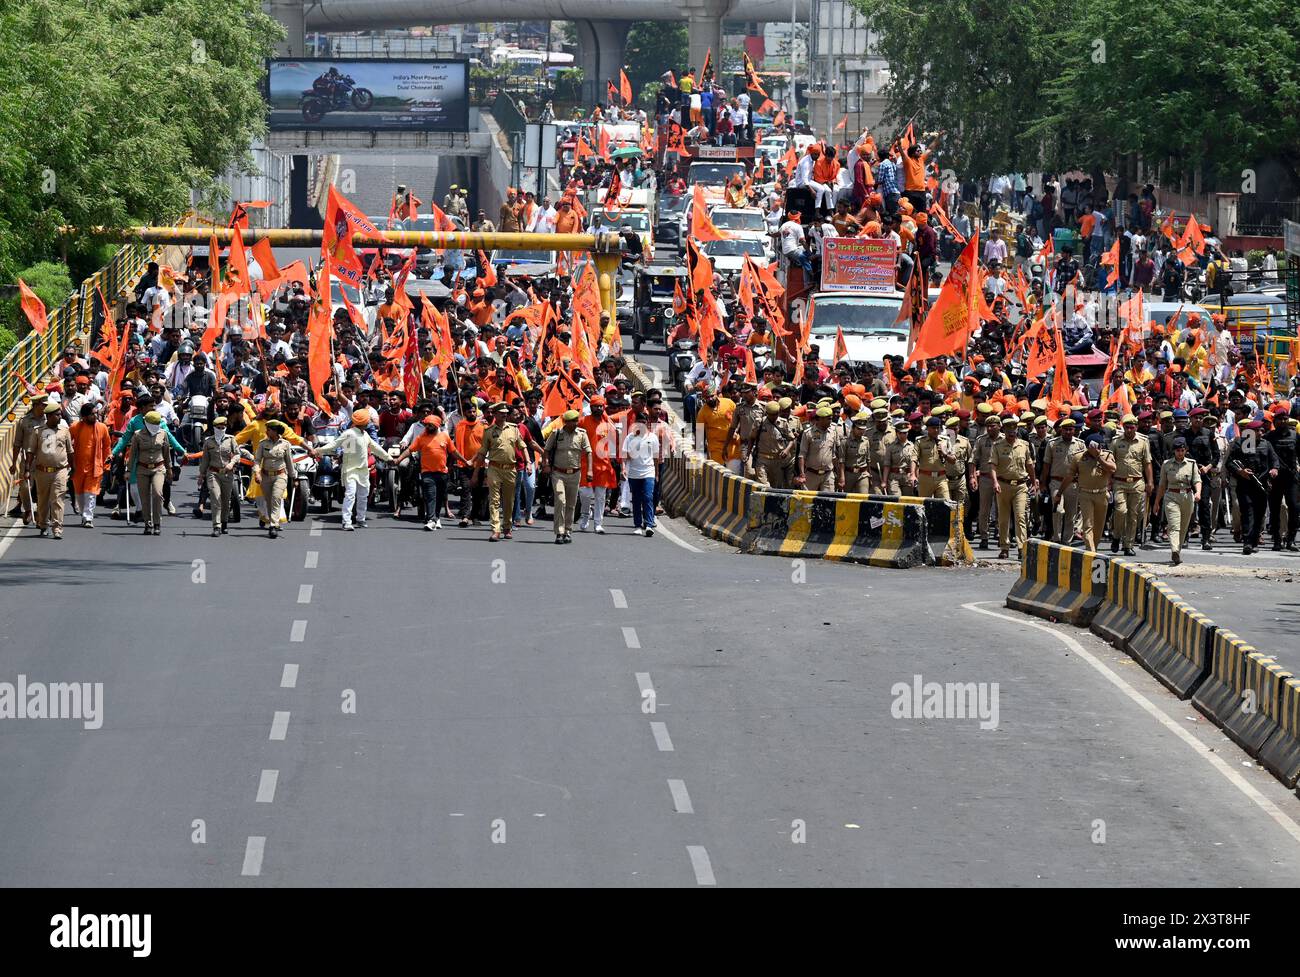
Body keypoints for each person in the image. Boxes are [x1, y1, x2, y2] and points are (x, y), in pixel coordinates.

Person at [311, 408, 394, 531]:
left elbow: (375, 448)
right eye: (368, 421)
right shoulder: (349, 433)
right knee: (350, 495)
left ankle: (360, 519)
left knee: (363, 496)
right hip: (350, 470)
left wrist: (388, 458)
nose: (369, 422)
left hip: (363, 471)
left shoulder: (365, 434)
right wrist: (317, 451)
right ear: (364, 422)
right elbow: (335, 445)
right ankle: (347, 522)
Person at [115, 410, 186, 536]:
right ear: (146, 423)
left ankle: (157, 523)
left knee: (158, 494)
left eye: (157, 423)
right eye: (153, 423)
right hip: (142, 469)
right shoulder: (137, 435)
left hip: (158, 468)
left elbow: (166, 453)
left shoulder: (163, 433)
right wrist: (129, 471)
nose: (156, 425)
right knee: (144, 498)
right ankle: (148, 523)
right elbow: (133, 454)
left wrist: (169, 469)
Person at [392, 414, 468, 532]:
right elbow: (409, 450)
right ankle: (431, 520)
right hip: (427, 473)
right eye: (426, 425)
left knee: (439, 497)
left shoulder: (445, 437)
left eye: (430, 425)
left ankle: (436, 517)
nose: (428, 427)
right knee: (430, 496)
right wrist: (398, 460)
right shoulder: (421, 438)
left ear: (437, 425)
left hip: (442, 473)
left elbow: (454, 452)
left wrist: (464, 461)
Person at [23, 403, 75, 539]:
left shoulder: (64, 431)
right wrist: (27, 469)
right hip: (42, 471)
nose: (60, 417)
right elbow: (30, 451)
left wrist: (73, 468)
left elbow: (70, 451)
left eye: (60, 414)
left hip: (60, 471)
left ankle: (57, 528)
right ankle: (43, 525)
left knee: (58, 499)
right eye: (57, 415)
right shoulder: (37, 431)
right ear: (49, 416)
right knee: (43, 500)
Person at [1227, 419, 1279, 555]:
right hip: (1245, 484)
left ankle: (1254, 540)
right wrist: (1240, 471)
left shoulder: (1266, 444)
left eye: (1262, 430)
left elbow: (1274, 461)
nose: (1261, 433)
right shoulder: (1240, 443)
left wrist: (1274, 469)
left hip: (1261, 484)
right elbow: (1230, 462)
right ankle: (1247, 542)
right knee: (1247, 512)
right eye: (1257, 430)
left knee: (1259, 514)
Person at [1057, 432, 1116, 552]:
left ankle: (1094, 548)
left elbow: (1112, 469)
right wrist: (1059, 493)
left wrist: (1098, 457)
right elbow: (1069, 476)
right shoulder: (1079, 457)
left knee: (1099, 526)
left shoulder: (1107, 455)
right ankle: (1091, 552)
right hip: (1085, 494)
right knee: (1088, 525)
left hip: (1101, 494)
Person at [475, 403, 526, 541]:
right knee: (494, 500)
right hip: (494, 468)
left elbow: (523, 446)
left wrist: (528, 463)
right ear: (495, 414)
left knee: (509, 500)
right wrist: (475, 473)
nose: (504, 414)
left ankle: (507, 527)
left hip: (510, 468)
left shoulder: (514, 429)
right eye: (501, 412)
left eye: (505, 412)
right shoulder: (488, 431)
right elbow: (482, 452)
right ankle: (495, 529)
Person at [541, 409, 592, 543]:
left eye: (576, 420)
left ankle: (568, 531)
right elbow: (546, 450)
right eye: (572, 421)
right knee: (560, 500)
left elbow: (588, 452)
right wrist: (545, 464)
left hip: (575, 473)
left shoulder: (582, 434)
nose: (575, 423)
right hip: (558, 473)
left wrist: (590, 471)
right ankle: (559, 532)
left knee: (571, 504)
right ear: (566, 422)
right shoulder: (557, 433)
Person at [990, 414, 1036, 559]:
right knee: (1003, 519)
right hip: (1003, 485)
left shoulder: (1024, 445)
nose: (1011, 432)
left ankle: (1022, 548)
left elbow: (1029, 465)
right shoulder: (997, 446)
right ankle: (1004, 547)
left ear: (1016, 430)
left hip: (1020, 486)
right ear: (1004, 430)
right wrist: (995, 482)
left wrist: (1034, 482)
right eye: (1008, 429)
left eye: (1014, 429)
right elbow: (993, 466)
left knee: (1020, 516)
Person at [1109, 413, 1153, 556]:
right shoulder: (1116, 442)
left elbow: (1147, 463)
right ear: (1123, 427)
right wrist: (1109, 481)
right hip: (1119, 482)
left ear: (1136, 427)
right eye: (1127, 427)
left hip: (1137, 482)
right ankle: (1116, 536)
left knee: (1134, 515)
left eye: (1132, 427)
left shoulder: (1143, 442)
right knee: (1121, 511)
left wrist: (1150, 482)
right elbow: (1110, 462)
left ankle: (1128, 545)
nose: (1129, 430)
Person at [1152, 436, 1201, 565]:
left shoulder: (1192, 464)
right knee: (1174, 525)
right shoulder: (1167, 465)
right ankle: (1174, 550)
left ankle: (1177, 552)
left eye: (1182, 450)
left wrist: (1198, 493)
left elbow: (1197, 480)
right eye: (1177, 450)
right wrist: (1157, 502)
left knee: (1183, 527)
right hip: (1171, 496)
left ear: (1186, 450)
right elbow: (1162, 485)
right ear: (1174, 451)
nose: (1180, 453)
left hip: (1187, 496)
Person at [68, 402, 111, 529]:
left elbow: (107, 446)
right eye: (92, 414)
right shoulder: (75, 426)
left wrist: (107, 461)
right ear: (84, 417)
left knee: (90, 493)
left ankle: (88, 518)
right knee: (80, 494)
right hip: (78, 467)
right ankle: (83, 514)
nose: (95, 416)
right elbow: (66, 441)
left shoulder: (102, 427)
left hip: (95, 466)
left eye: (95, 413)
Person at [198, 414, 241, 536]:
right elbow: (205, 459)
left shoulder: (231, 439)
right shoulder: (208, 442)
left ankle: (224, 522)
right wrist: (201, 475)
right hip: (213, 473)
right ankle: (216, 526)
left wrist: (232, 463)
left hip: (227, 474)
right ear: (214, 428)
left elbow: (237, 454)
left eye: (223, 427)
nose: (221, 429)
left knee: (226, 500)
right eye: (219, 427)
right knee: (215, 498)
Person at [253, 421, 297, 539]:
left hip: (280, 475)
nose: (266, 432)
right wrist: (257, 473)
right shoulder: (263, 444)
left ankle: (273, 525)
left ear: (276, 431)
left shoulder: (285, 444)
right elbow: (257, 460)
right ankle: (273, 521)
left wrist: (293, 477)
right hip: (266, 476)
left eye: (269, 430)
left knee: (276, 498)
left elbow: (289, 462)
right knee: (269, 500)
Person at [622, 416, 661, 536]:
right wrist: (623, 468)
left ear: (647, 424)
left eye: (643, 423)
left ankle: (649, 524)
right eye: (639, 423)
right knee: (637, 499)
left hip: (649, 472)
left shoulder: (653, 438)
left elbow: (656, 457)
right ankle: (638, 525)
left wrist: (657, 473)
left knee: (648, 497)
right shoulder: (630, 437)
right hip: (634, 473)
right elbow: (624, 454)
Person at [796, 406, 843, 491]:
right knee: (808, 503)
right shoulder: (808, 433)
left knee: (828, 501)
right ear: (821, 419)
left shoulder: (833, 432)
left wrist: (840, 476)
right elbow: (802, 455)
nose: (831, 421)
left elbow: (834, 455)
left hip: (828, 474)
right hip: (811, 474)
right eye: (828, 419)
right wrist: (802, 475)